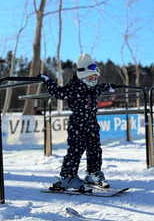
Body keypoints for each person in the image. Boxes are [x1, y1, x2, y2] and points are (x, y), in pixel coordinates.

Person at [39, 53, 115, 191]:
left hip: (92, 123)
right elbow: (58, 93)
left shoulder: (94, 89)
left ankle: (93, 173)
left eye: (95, 78)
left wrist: (109, 86)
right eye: (90, 77)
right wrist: (47, 81)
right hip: (77, 124)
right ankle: (68, 176)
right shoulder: (73, 88)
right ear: (82, 75)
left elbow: (101, 87)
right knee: (76, 149)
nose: (93, 80)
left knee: (95, 149)